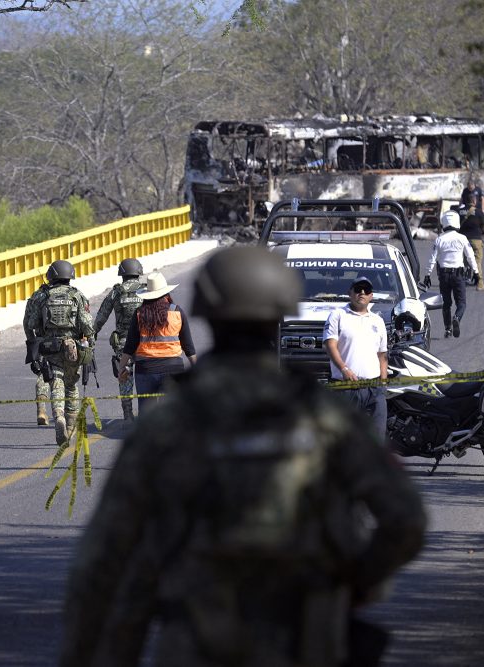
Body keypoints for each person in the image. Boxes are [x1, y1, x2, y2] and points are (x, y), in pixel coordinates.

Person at [59, 246, 427, 667]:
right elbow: (405, 520)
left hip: (196, 644)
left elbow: (103, 562)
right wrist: (352, 580)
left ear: (208, 316)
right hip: (308, 641)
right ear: (279, 315)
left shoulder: (170, 423)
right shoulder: (326, 418)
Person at [24, 259, 95, 445]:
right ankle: (70, 427)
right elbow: (87, 325)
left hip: (50, 348)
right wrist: (91, 346)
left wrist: (36, 341)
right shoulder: (77, 296)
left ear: (51, 276)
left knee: (56, 382)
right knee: (71, 386)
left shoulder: (41, 296)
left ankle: (59, 416)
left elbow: (31, 324)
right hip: (73, 349)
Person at [118, 271, 197, 415]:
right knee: (174, 412)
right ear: (166, 293)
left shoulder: (139, 314)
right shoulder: (177, 312)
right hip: (173, 369)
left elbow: (130, 346)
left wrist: (121, 368)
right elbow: (189, 347)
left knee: (147, 414)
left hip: (146, 370)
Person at [323, 275, 389, 443]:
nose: (362, 292)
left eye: (366, 290)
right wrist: (344, 368)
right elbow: (330, 345)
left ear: (371, 296)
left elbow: (382, 355)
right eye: (358, 289)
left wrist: (383, 382)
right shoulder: (338, 315)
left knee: (377, 439)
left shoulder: (378, 321)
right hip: (346, 388)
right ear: (350, 293)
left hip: (374, 389)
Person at [92, 258, 145, 422]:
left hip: (123, 343)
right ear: (138, 273)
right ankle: (146, 414)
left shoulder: (116, 292)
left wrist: (91, 335)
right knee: (145, 377)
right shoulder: (147, 289)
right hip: (145, 343)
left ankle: (127, 415)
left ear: (122, 274)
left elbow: (101, 316)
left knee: (124, 377)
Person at [422, 210, 478, 338]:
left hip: (444, 275)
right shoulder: (462, 238)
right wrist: (476, 272)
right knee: (462, 303)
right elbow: (470, 257)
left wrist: (427, 275)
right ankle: (457, 318)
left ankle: (447, 329)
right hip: (458, 275)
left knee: (446, 304)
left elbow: (432, 259)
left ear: (444, 223)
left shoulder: (439, 239)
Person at [24, 280, 53, 426]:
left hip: (43, 342)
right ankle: (65, 413)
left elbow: (27, 323)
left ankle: (42, 410)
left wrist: (32, 343)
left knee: (43, 375)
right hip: (65, 342)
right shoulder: (71, 294)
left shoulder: (36, 297)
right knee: (67, 379)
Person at [458, 205, 484, 290]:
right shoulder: (479, 212)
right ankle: (480, 284)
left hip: (462, 240)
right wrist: (483, 232)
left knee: (464, 261)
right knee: (477, 261)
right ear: (474, 201)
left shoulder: (459, 211)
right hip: (475, 240)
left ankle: (462, 281)